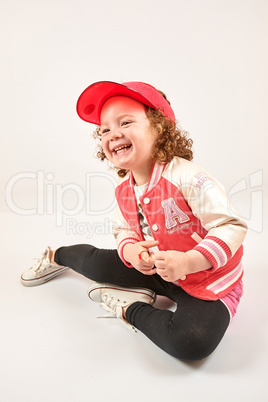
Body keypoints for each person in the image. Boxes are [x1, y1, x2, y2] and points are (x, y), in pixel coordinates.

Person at [21, 81, 247, 361]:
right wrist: (132, 252)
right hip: (156, 270)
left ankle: (131, 307)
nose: (113, 133)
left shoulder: (189, 177)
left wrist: (189, 262)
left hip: (207, 279)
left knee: (192, 342)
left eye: (125, 122)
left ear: (159, 127)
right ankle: (56, 256)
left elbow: (231, 226)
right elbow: (124, 230)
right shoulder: (124, 190)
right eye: (105, 129)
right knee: (95, 262)